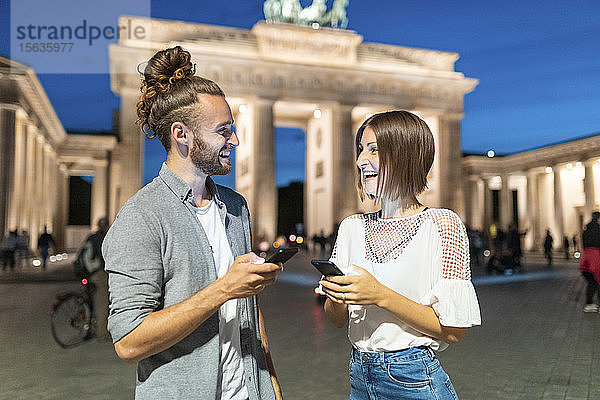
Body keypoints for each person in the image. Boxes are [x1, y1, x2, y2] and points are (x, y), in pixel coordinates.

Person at [102, 46, 282, 400]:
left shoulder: (235, 207)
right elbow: (127, 342)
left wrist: (269, 380)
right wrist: (224, 288)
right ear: (181, 134)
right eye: (223, 131)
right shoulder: (141, 216)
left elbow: (249, 309)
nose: (235, 140)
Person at [319, 111, 481, 400]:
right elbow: (336, 319)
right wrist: (337, 296)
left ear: (405, 154)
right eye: (360, 149)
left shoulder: (442, 225)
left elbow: (455, 332)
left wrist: (379, 295)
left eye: (374, 149)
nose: (360, 161)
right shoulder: (351, 228)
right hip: (359, 375)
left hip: (413, 377)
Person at [86, 217, 110, 340]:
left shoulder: (91, 237)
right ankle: (102, 333)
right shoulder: (107, 237)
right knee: (103, 303)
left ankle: (89, 325)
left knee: (93, 300)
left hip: (90, 273)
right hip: (100, 273)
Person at [579, 212, 600, 313]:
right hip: (596, 258)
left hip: (586, 258)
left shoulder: (586, 230)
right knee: (597, 281)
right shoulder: (598, 230)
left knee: (592, 282)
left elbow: (584, 245)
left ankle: (589, 304)